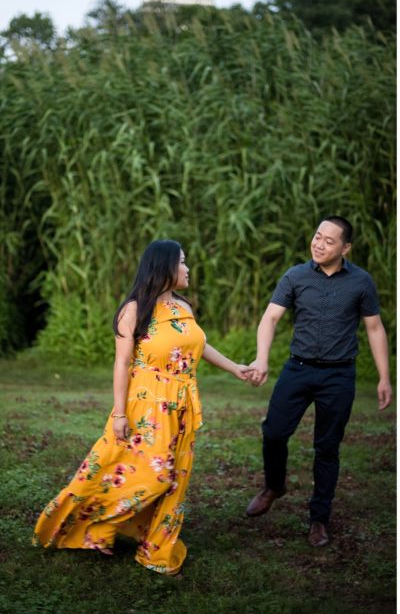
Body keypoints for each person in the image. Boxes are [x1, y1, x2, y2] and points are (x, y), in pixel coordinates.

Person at [33, 240, 256, 576]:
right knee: (153, 475)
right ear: (165, 267)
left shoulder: (184, 307)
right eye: (182, 262)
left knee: (174, 479)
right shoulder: (134, 310)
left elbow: (198, 344)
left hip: (182, 405)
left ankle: (156, 548)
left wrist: (236, 367)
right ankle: (88, 522)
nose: (188, 268)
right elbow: (122, 363)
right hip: (146, 407)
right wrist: (120, 414)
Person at [244, 216, 392, 548]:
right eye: (317, 237)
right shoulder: (295, 276)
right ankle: (274, 486)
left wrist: (384, 377)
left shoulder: (361, 282)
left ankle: (319, 519)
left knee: (327, 448)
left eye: (329, 241)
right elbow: (270, 317)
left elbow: (373, 328)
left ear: (345, 247)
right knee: (274, 432)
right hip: (297, 369)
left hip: (339, 376)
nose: (319, 244)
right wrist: (262, 357)